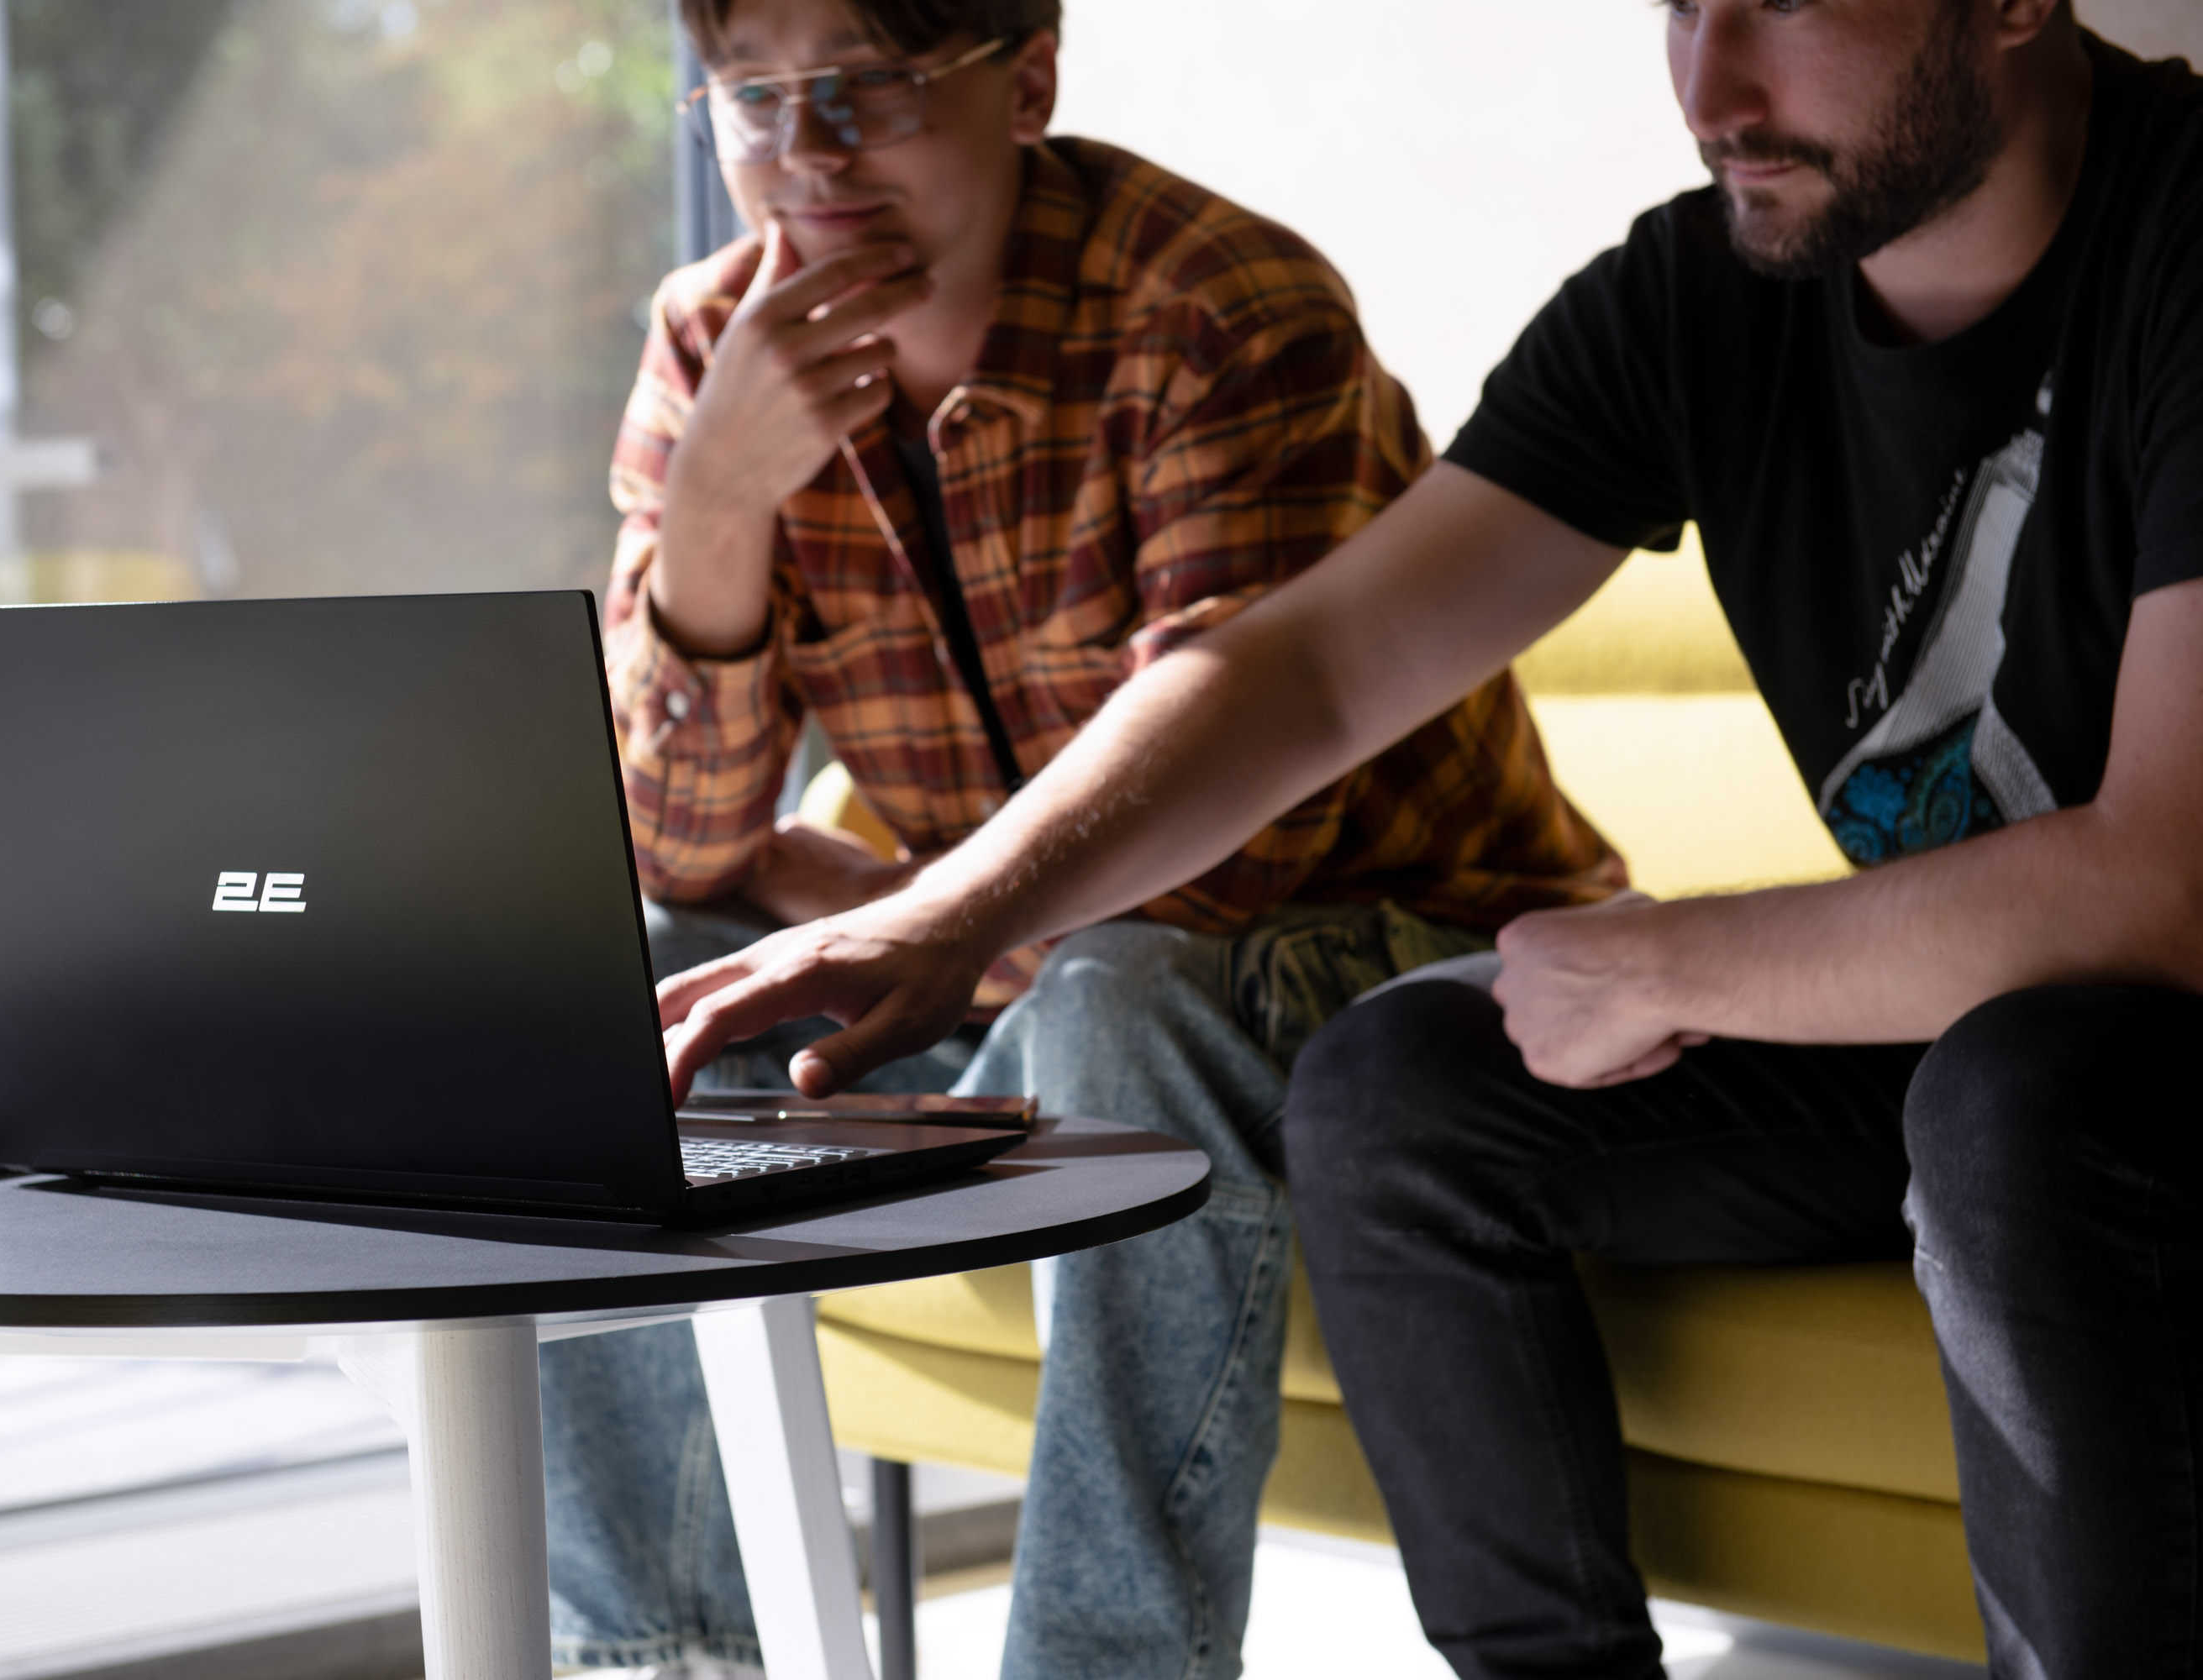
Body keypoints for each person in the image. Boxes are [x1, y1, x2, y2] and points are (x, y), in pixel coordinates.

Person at [653, 0, 2203, 1676]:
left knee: (2013, 1095)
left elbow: (2166, 888)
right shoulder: (1701, 294)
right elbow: (1317, 665)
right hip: (1979, 1018)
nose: (1713, 88)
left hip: (2125, 1039)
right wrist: (946, 913)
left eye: (1783, 2)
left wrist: (1677, 959)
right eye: (1682, 5)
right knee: (1402, 1088)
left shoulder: (2184, 241)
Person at [544, 0, 1625, 1673]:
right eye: (753, 102)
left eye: (868, 89)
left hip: (1399, 962)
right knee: (623, 997)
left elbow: (1231, 860)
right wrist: (718, 501)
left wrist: (923, 905)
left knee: (1123, 991)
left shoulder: (1217, 313)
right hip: (1022, 974)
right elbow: (672, 849)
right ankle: (666, 1662)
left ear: (1028, 77)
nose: (806, 155)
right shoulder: (710, 346)